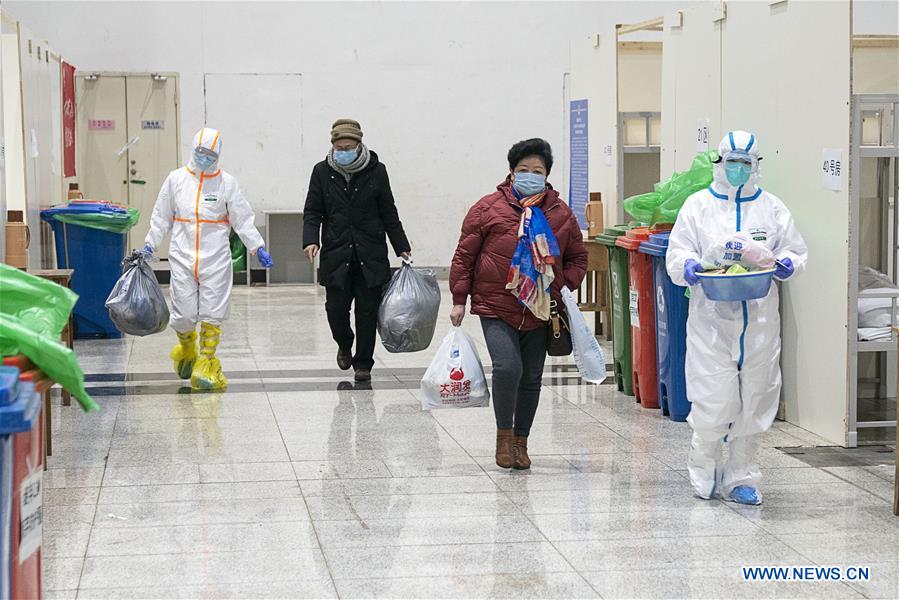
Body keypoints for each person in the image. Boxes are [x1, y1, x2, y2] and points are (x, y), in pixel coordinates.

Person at [666, 130, 808, 505]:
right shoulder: (698, 206)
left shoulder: (772, 208)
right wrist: (691, 267)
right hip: (712, 318)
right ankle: (704, 466)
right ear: (720, 162)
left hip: (760, 318)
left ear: (756, 165)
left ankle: (742, 474)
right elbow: (677, 254)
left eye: (746, 163)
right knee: (713, 395)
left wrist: (788, 263)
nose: (738, 169)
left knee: (757, 395)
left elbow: (795, 250)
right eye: (732, 161)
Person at [449, 138, 587, 470]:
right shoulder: (487, 209)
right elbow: (464, 257)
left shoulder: (560, 213)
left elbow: (577, 258)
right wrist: (458, 299)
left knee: (531, 377)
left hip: (539, 309)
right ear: (511, 173)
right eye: (523, 170)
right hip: (496, 304)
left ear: (547, 175)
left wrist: (558, 289)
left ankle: (521, 443)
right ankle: (503, 437)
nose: (529, 175)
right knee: (508, 367)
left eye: (537, 171)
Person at [144, 127, 273, 391]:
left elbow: (242, 218)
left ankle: (206, 362)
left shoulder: (227, 183)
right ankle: (187, 349)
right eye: (200, 152)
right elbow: (161, 216)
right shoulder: (176, 179)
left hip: (215, 258)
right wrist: (149, 244)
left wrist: (257, 246)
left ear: (217, 155)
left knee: (213, 312)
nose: (204, 158)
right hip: (182, 256)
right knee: (183, 314)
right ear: (193, 150)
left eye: (209, 154)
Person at [302, 119, 411, 383]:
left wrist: (401, 246)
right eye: (338, 146)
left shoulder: (377, 171)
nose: (343, 150)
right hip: (336, 254)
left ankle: (363, 363)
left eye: (348, 146)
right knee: (335, 311)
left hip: (369, 253)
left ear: (359, 145)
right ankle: (344, 342)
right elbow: (313, 211)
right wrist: (310, 239)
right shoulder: (321, 171)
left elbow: (388, 211)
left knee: (366, 312)